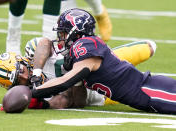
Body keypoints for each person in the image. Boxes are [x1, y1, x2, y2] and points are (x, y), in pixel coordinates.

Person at [30, 8, 176, 114]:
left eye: (63, 33)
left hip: (149, 91)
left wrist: (33, 92)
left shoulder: (84, 45)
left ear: (75, 32)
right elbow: (78, 98)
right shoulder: (82, 47)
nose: (60, 37)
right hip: (146, 95)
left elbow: (65, 80)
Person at [0, 36, 156, 109]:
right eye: (17, 81)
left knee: (149, 47)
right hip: (103, 91)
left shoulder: (33, 52)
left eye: (21, 70)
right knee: (149, 90)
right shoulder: (34, 95)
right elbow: (75, 101)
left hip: (101, 62)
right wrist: (43, 103)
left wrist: (37, 70)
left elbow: (45, 42)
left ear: (22, 60)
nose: (24, 76)